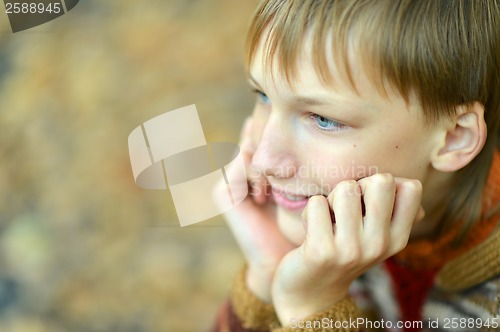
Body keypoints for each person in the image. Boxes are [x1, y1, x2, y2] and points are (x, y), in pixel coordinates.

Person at [212, 0, 499, 331]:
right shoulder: (331, 229)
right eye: (263, 96)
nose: (264, 160)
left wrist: (314, 310)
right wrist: (267, 273)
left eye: (323, 119)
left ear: (454, 138)